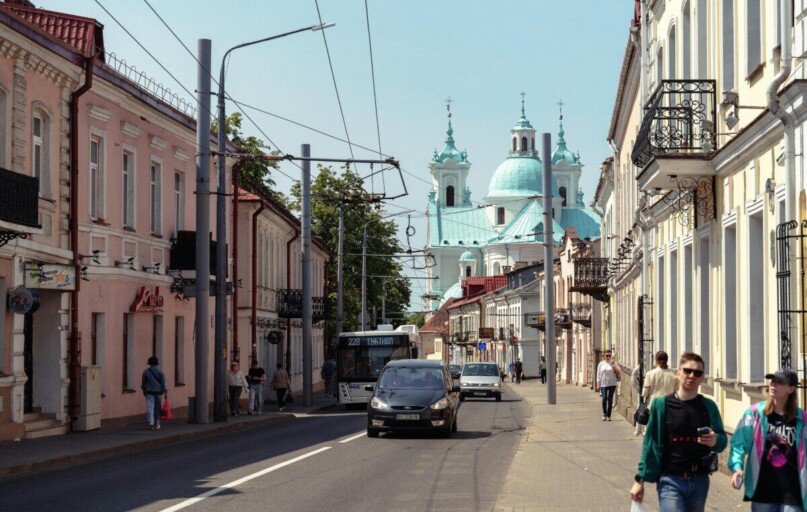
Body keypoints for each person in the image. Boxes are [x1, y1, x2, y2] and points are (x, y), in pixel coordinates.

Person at [630, 352, 727, 512]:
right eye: (687, 371)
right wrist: (639, 480)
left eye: (697, 373)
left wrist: (715, 440)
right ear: (678, 373)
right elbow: (650, 443)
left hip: (700, 481)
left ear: (702, 378)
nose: (691, 376)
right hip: (670, 480)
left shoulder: (708, 406)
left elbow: (722, 440)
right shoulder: (661, 405)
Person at [728, 368, 806, 511]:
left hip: (792, 490)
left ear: (791, 388)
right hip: (763, 489)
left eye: (780, 382)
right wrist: (737, 467)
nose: (773, 385)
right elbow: (739, 443)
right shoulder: (755, 413)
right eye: (772, 380)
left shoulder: (802, 418)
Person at [141, 356, 167, 430]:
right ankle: (157, 423)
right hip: (158, 392)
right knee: (157, 408)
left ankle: (150, 423)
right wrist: (164, 390)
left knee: (150, 407)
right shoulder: (160, 371)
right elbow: (163, 382)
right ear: (157, 363)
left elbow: (143, 383)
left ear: (149, 363)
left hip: (148, 392)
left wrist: (143, 389)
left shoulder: (146, 372)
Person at [596, 350, 620, 421]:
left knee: (610, 399)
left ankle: (609, 415)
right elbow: (598, 374)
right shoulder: (601, 364)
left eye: (609, 355)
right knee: (604, 399)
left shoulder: (614, 363)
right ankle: (604, 413)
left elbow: (619, 372)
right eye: (607, 355)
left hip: (612, 383)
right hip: (603, 384)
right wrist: (598, 383)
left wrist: (614, 366)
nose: (608, 357)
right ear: (604, 356)